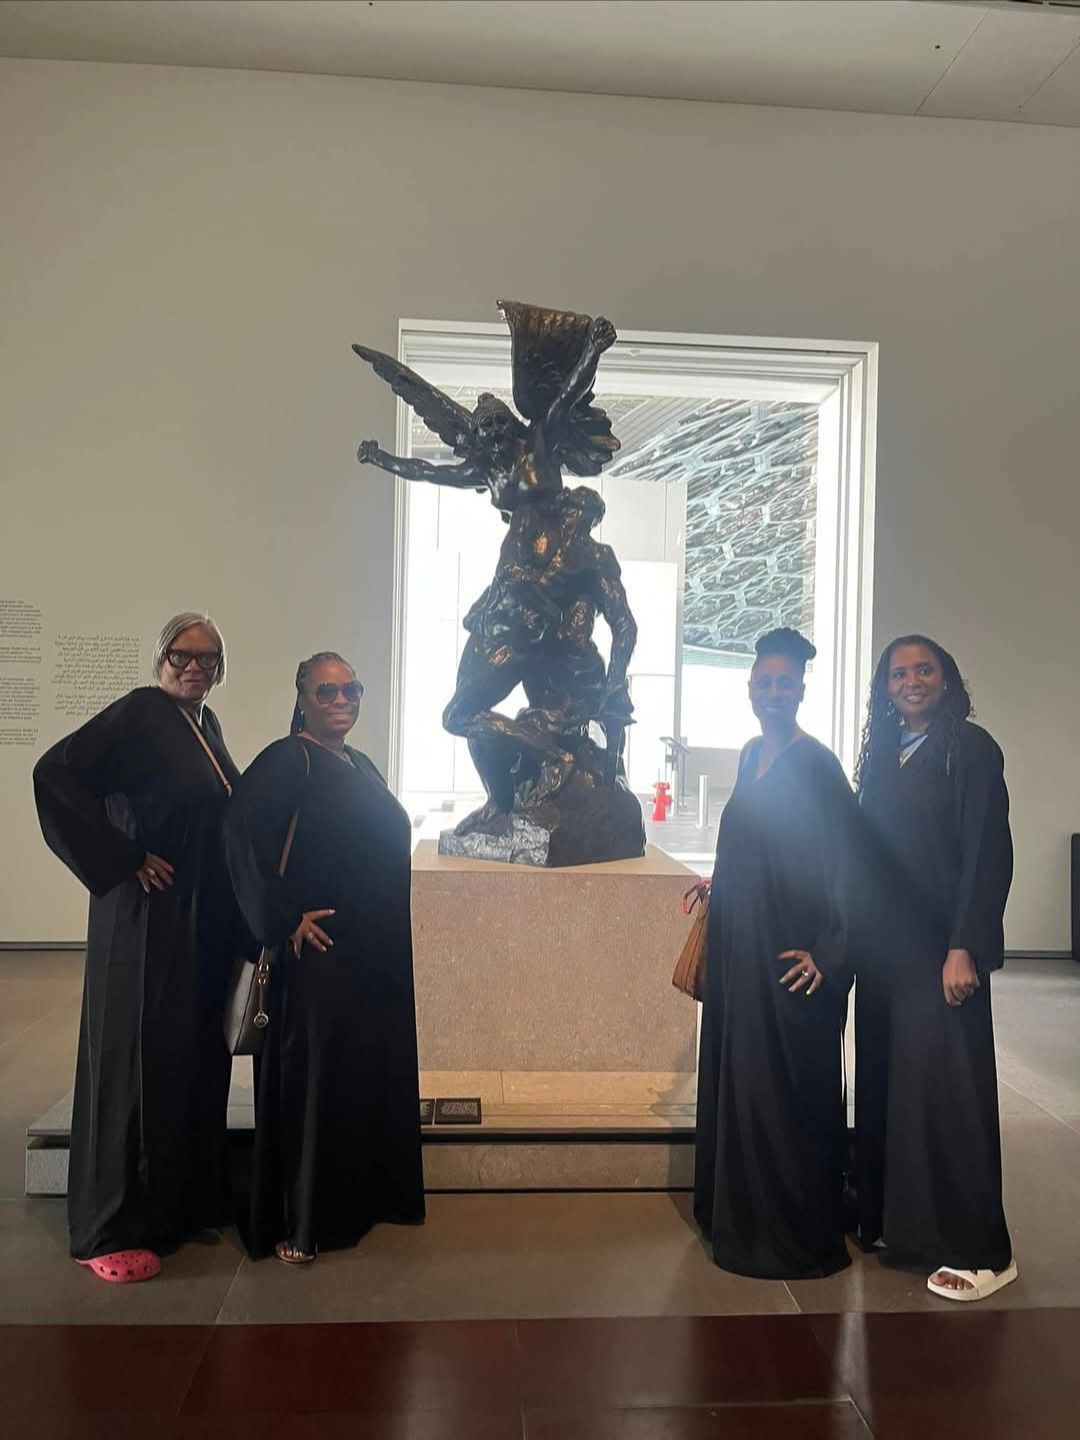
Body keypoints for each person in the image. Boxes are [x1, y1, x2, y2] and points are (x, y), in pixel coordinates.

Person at [33, 613, 242, 1283]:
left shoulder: (204, 725)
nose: (195, 667)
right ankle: (109, 1226)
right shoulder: (139, 713)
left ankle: (173, 1207)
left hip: (193, 926)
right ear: (160, 658)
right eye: (183, 655)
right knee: (133, 1059)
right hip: (143, 920)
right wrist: (124, 857)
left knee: (184, 1056)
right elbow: (54, 774)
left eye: (208, 658)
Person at [224, 652, 425, 1263]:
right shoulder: (290, 759)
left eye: (351, 690)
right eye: (327, 691)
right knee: (315, 1082)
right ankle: (303, 1221)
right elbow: (240, 836)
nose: (342, 700)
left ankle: (358, 1202)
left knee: (355, 1077)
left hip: (371, 957)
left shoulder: (358, 763)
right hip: (321, 958)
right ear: (303, 698)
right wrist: (283, 919)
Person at [853, 635, 1016, 1302]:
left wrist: (964, 945)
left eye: (924, 670)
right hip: (886, 956)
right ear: (885, 688)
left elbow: (986, 852)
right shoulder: (884, 755)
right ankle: (909, 1229)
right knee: (897, 1093)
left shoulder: (969, 749)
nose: (911, 681)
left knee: (954, 1098)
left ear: (946, 679)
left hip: (941, 953)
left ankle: (983, 1250)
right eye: (899, 674)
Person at [694, 628, 855, 1280]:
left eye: (785, 682)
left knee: (787, 1092)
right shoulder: (749, 754)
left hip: (791, 959)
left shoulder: (819, 767)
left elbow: (852, 867)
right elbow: (750, 841)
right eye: (764, 682)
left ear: (802, 690)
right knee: (744, 1081)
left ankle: (788, 1233)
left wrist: (830, 954)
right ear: (750, 688)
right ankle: (740, 1219)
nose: (774, 692)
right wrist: (719, 883)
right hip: (741, 953)